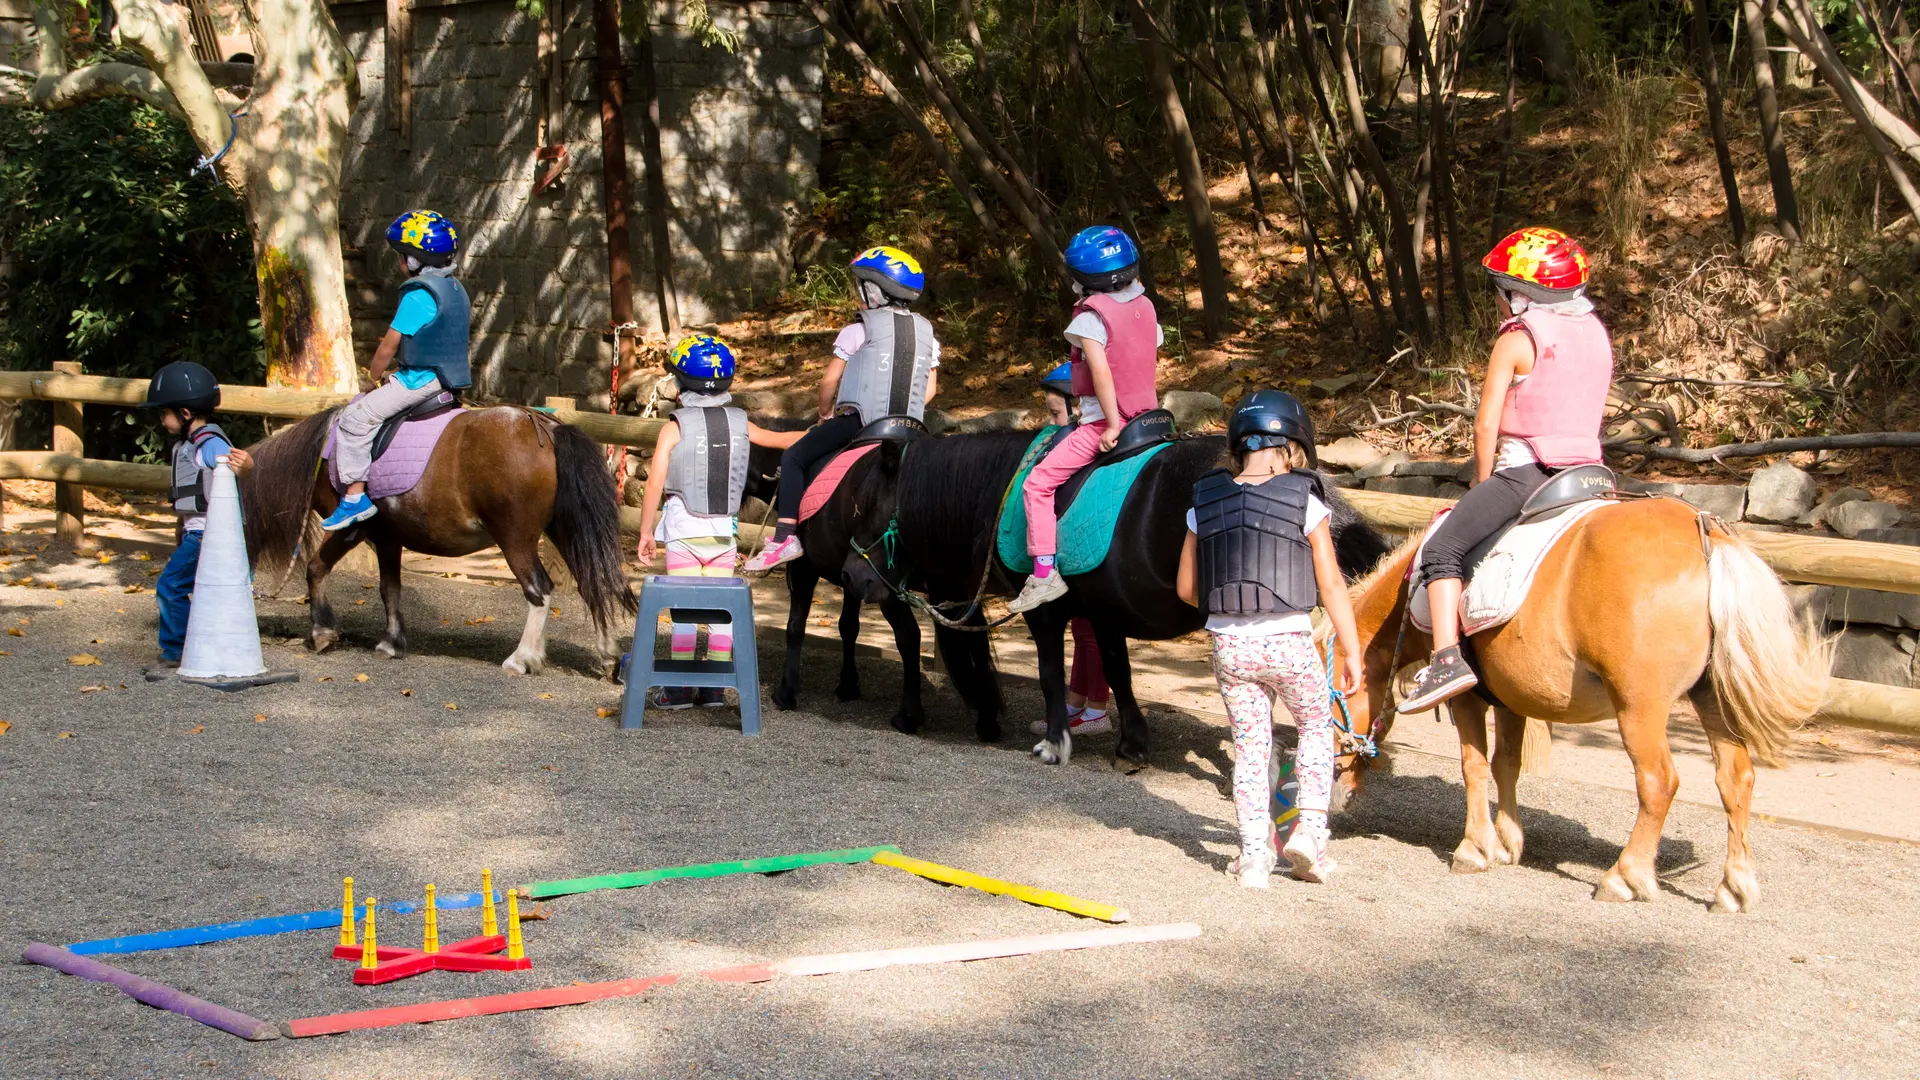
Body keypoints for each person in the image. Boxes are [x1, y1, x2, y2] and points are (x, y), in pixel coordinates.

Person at [1399, 227, 1614, 712]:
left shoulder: (1518, 338)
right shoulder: (1596, 332)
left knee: (1442, 549)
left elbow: (1486, 424)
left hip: (1530, 471)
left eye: (1499, 292)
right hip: (1592, 475)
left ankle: (1447, 659)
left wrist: (1481, 483)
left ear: (1517, 296)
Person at [1176, 390, 1363, 888]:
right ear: (1295, 444)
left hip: (1229, 645)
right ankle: (1309, 834)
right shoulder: (1306, 498)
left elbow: (1187, 589)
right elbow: (1330, 582)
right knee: (1316, 729)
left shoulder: (1205, 499)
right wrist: (1351, 647)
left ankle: (1254, 857)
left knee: (1251, 747)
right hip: (1289, 641)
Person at [743, 246, 940, 572]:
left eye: (861, 286)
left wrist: (825, 415)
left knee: (793, 458)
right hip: (909, 430)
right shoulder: (928, 335)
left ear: (873, 290)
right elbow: (929, 389)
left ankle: (785, 538)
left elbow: (828, 382)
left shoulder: (859, 329)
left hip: (860, 423)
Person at [635, 334, 804, 708]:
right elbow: (783, 441)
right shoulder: (742, 424)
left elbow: (656, 483)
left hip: (682, 533)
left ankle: (677, 689)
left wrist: (647, 531)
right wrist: (820, 433)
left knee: (682, 610)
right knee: (719, 613)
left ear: (681, 384)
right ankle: (712, 688)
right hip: (722, 537)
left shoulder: (673, 427)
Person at [1007, 226, 1161, 613]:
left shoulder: (1090, 319)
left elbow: (1103, 372)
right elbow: (1147, 351)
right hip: (1153, 417)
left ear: (1082, 278)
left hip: (1104, 422)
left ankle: (1044, 573)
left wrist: (1110, 424)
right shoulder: (1145, 306)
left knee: (1038, 483)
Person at [322, 209, 472, 531]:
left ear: (416, 260)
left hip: (421, 380)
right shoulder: (455, 289)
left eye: (403, 258)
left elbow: (388, 346)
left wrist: (373, 377)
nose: (400, 264)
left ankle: (354, 498)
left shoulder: (419, 294)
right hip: (448, 379)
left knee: (354, 418)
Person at [142, 361, 254, 671]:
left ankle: (176, 650)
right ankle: (201, 645)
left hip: (207, 533)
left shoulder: (208, 444)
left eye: (163, 413)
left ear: (185, 414)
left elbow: (238, 468)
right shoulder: (190, 444)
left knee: (170, 586)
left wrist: (245, 465)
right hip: (199, 531)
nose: (161, 420)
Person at [1026, 363, 1113, 737]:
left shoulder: (1083, 442)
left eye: (1056, 413)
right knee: (1081, 628)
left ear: (1077, 407)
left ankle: (1098, 707)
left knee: (1092, 629)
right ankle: (1077, 702)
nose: (1053, 421)